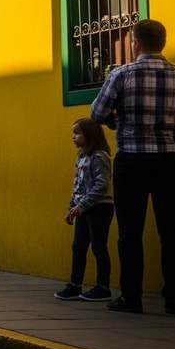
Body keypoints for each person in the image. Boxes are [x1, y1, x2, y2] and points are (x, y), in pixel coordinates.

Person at [89, 18, 175, 315]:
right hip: (170, 161)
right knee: (171, 231)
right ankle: (174, 299)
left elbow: (97, 112)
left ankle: (131, 298)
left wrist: (117, 125)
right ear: (163, 43)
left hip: (132, 158)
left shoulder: (121, 74)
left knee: (130, 231)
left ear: (135, 43)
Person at [56, 119, 114, 302]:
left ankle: (103, 287)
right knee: (78, 247)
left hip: (100, 208)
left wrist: (82, 205)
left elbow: (101, 185)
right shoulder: (81, 156)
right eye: (73, 133)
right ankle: (75, 284)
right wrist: (71, 207)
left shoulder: (99, 157)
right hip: (82, 209)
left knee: (98, 246)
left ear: (90, 135)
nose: (73, 137)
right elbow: (78, 185)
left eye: (77, 133)